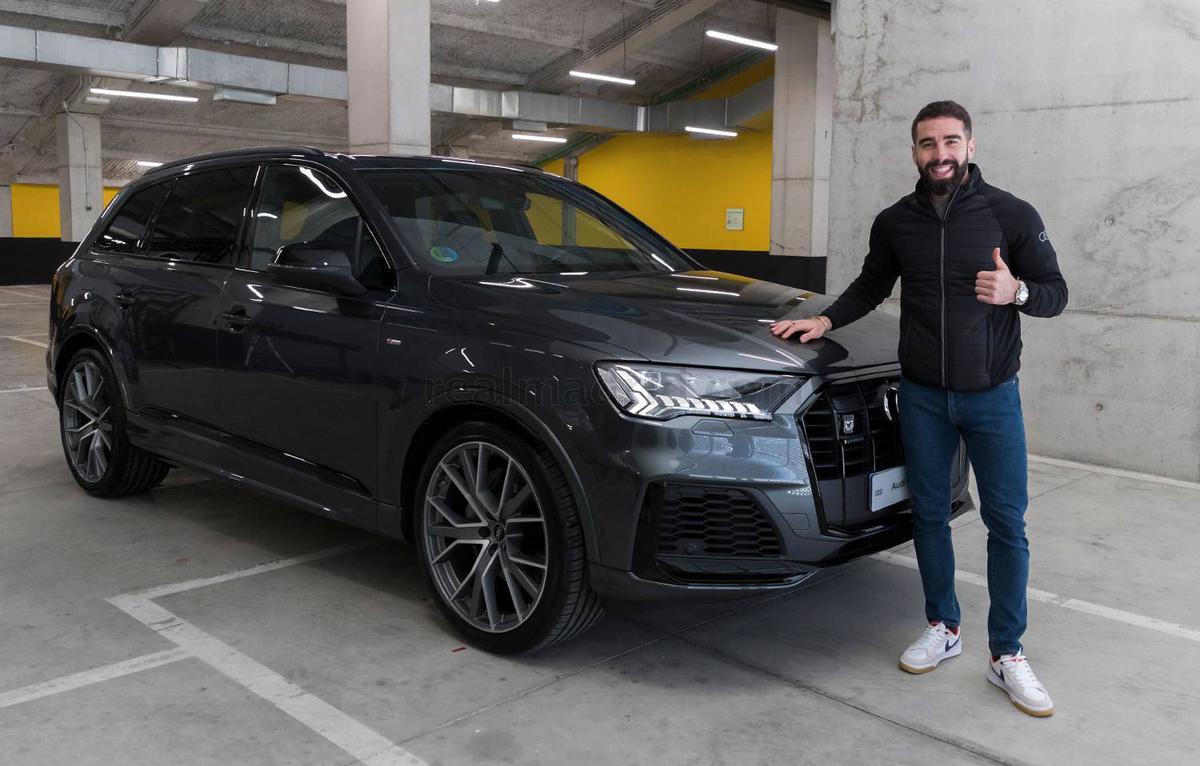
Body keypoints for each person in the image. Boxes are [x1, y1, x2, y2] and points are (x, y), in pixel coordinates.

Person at [770, 100, 1067, 718]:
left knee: (1007, 522)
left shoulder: (1011, 215)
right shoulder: (895, 222)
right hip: (924, 396)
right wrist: (823, 318)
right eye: (928, 144)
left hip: (993, 397)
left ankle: (1006, 653)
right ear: (914, 151)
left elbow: (1056, 293)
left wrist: (1019, 292)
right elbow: (871, 284)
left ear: (970, 145)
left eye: (951, 142)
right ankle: (944, 627)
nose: (941, 154)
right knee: (929, 514)